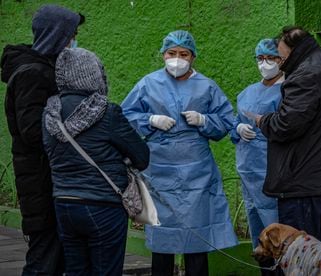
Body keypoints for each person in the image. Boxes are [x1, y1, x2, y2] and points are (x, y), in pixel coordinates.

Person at [121, 30, 238, 276]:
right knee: (163, 237)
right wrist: (150, 119)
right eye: (171, 53)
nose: (177, 58)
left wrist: (205, 120)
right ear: (163, 55)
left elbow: (226, 122)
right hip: (160, 170)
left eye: (183, 54)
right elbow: (125, 118)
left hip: (197, 170)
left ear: (193, 57)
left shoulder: (206, 86)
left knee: (196, 238)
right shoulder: (148, 84)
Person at [42, 47, 150, 275]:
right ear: (94, 75)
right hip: (103, 205)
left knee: (75, 270)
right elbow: (142, 157)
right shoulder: (107, 112)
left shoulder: (49, 114)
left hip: (64, 203)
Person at [0, 5, 84, 275]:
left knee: (55, 257)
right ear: (58, 35)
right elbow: (34, 131)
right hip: (41, 180)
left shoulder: (43, 68)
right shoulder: (33, 73)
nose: (74, 40)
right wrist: (76, 125)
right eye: (72, 34)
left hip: (47, 178)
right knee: (44, 259)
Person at [256, 26, 321, 243]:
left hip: (303, 181)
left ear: (294, 50)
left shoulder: (306, 75)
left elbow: (287, 124)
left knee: (301, 252)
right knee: (319, 249)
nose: (279, 60)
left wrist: (265, 120)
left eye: (280, 55)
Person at [230, 39, 282, 275]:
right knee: (257, 234)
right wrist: (238, 129)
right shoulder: (247, 93)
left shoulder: (288, 91)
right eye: (260, 59)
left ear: (281, 60)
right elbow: (233, 123)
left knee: (276, 232)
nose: (265, 63)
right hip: (247, 171)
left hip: (271, 170)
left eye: (270, 58)